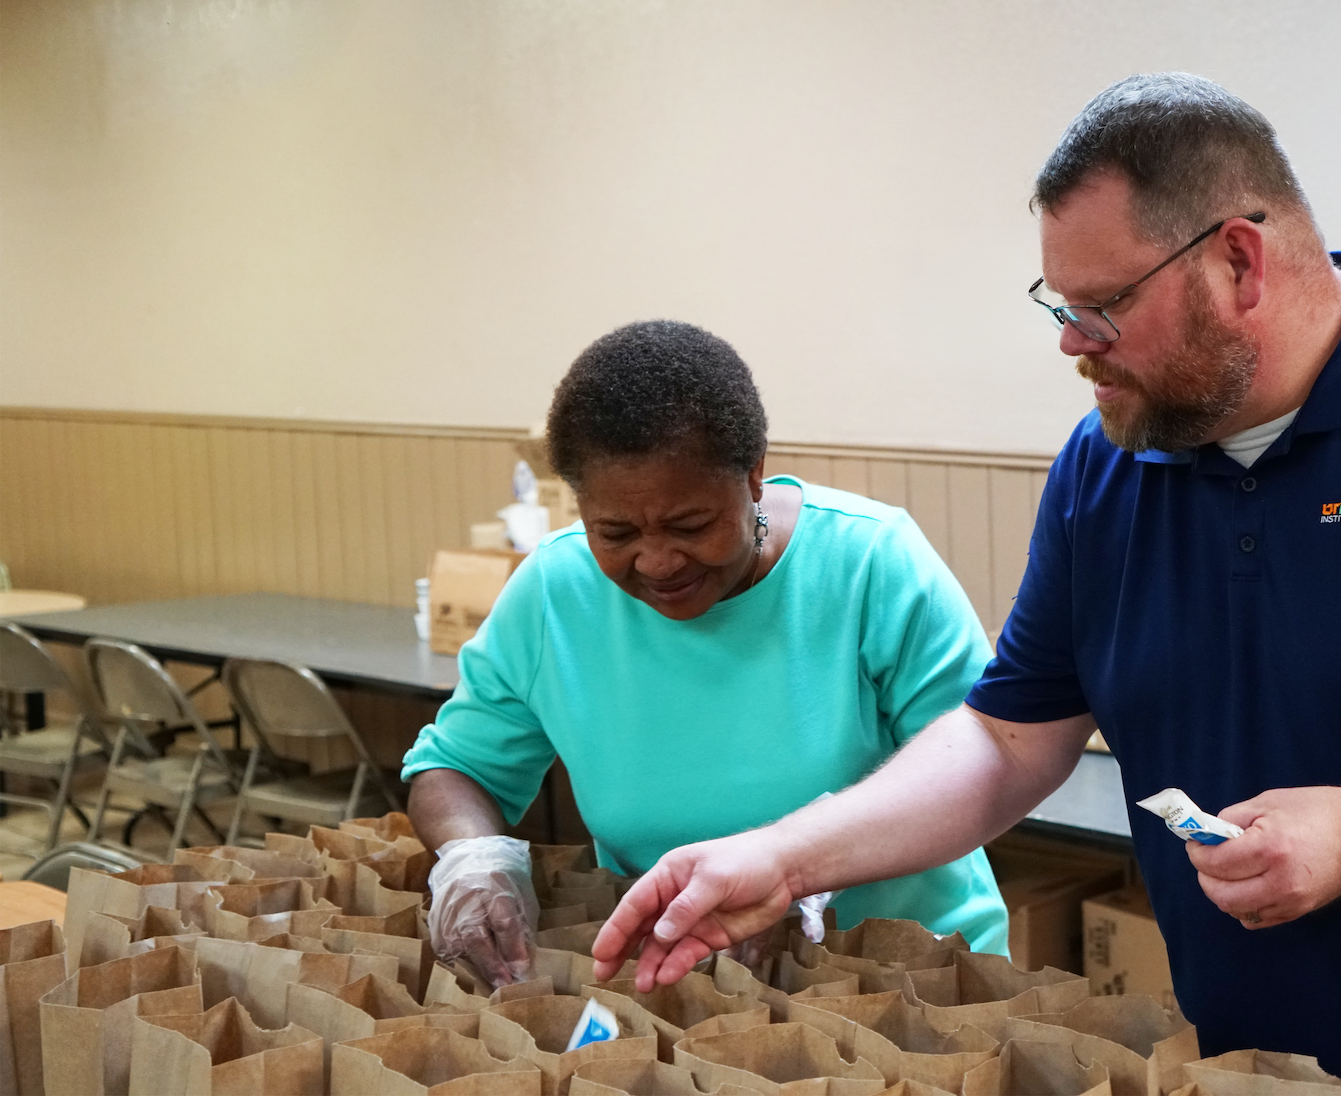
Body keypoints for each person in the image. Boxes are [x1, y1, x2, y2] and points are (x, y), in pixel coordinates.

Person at [591, 76, 1341, 1095]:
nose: (1070, 344)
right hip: (1251, 1056)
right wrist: (781, 857)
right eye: (1056, 307)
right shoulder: (1108, 467)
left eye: (1099, 307)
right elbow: (1006, 744)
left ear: (1237, 260)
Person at [404, 319, 1010, 986]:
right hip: (679, 986)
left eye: (691, 525)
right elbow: (455, 768)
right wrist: (472, 858)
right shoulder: (556, 592)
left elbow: (974, 772)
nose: (658, 560)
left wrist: (809, 866)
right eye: (616, 531)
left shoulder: (871, 566)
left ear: (753, 477)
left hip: (907, 977)